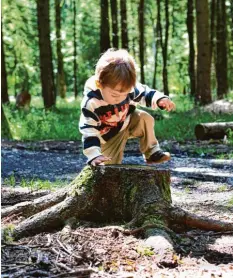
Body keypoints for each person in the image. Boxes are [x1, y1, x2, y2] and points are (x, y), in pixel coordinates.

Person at [79, 48, 175, 166]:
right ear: (100, 84)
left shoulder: (127, 88)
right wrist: (94, 154)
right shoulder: (91, 102)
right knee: (109, 169)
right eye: (114, 94)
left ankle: (152, 153)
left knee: (144, 118)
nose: (119, 98)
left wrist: (159, 99)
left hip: (126, 122)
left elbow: (145, 93)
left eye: (124, 94)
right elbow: (89, 130)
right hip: (107, 138)